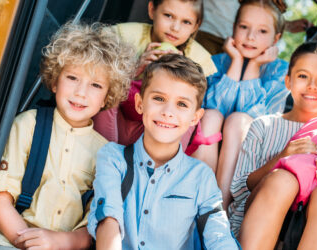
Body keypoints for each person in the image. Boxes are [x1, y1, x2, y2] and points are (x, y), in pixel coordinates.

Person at [0, 22, 136, 249]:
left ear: (107, 97)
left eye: (96, 85)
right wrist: (29, 242)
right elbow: (0, 199)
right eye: (72, 78)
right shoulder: (28, 124)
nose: (81, 92)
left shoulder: (105, 153)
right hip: (10, 242)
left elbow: (94, 223)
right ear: (55, 81)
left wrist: (60, 242)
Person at [87, 54, 238, 249]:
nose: (168, 112)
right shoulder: (113, 158)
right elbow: (109, 219)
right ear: (140, 103)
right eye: (159, 98)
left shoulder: (201, 176)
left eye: (182, 104)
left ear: (195, 117)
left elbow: (219, 236)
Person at [230, 40, 317, 249]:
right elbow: (241, 188)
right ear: (288, 81)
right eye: (303, 76)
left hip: (304, 227)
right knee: (283, 181)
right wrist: (281, 158)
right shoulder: (265, 126)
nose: (312, 85)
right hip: (256, 216)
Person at [195, 0, 289, 209]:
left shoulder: (281, 72)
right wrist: (236, 62)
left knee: (238, 121)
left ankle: (217, 211)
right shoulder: (219, 62)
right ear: (234, 28)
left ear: (276, 39)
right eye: (244, 27)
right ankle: (197, 201)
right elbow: (213, 105)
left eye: (262, 31)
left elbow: (257, 122)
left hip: (250, 158)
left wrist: (254, 66)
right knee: (210, 116)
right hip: (210, 150)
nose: (250, 37)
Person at [93, 0, 218, 149]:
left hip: (161, 125)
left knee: (189, 113)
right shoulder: (122, 35)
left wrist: (181, 72)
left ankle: (165, 166)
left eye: (186, 22)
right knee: (105, 89)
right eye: (168, 16)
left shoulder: (200, 59)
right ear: (152, 10)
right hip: (118, 121)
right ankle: (106, 153)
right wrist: (135, 68)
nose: (175, 27)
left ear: (196, 26)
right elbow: (95, 78)